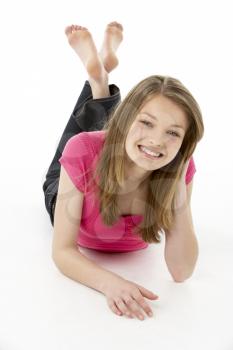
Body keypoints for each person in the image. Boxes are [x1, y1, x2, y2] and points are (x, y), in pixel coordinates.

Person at [42, 22, 204, 321]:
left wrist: (179, 177)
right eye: (146, 122)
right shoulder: (82, 151)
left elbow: (181, 272)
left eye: (173, 133)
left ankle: (100, 78)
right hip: (64, 186)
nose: (157, 140)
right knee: (87, 141)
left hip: (115, 145)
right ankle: (98, 83)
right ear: (126, 118)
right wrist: (110, 283)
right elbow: (62, 252)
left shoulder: (180, 167)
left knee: (130, 144)